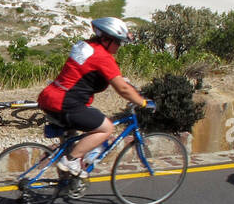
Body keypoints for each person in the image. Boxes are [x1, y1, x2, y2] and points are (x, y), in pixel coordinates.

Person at [37, 17, 151, 178]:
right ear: (106, 39)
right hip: (66, 103)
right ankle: (71, 160)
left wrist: (118, 78)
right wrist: (143, 102)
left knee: (78, 134)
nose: (119, 46)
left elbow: (87, 70)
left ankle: (67, 181)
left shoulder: (85, 45)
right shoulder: (103, 57)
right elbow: (123, 89)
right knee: (106, 128)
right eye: (118, 42)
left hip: (50, 97)